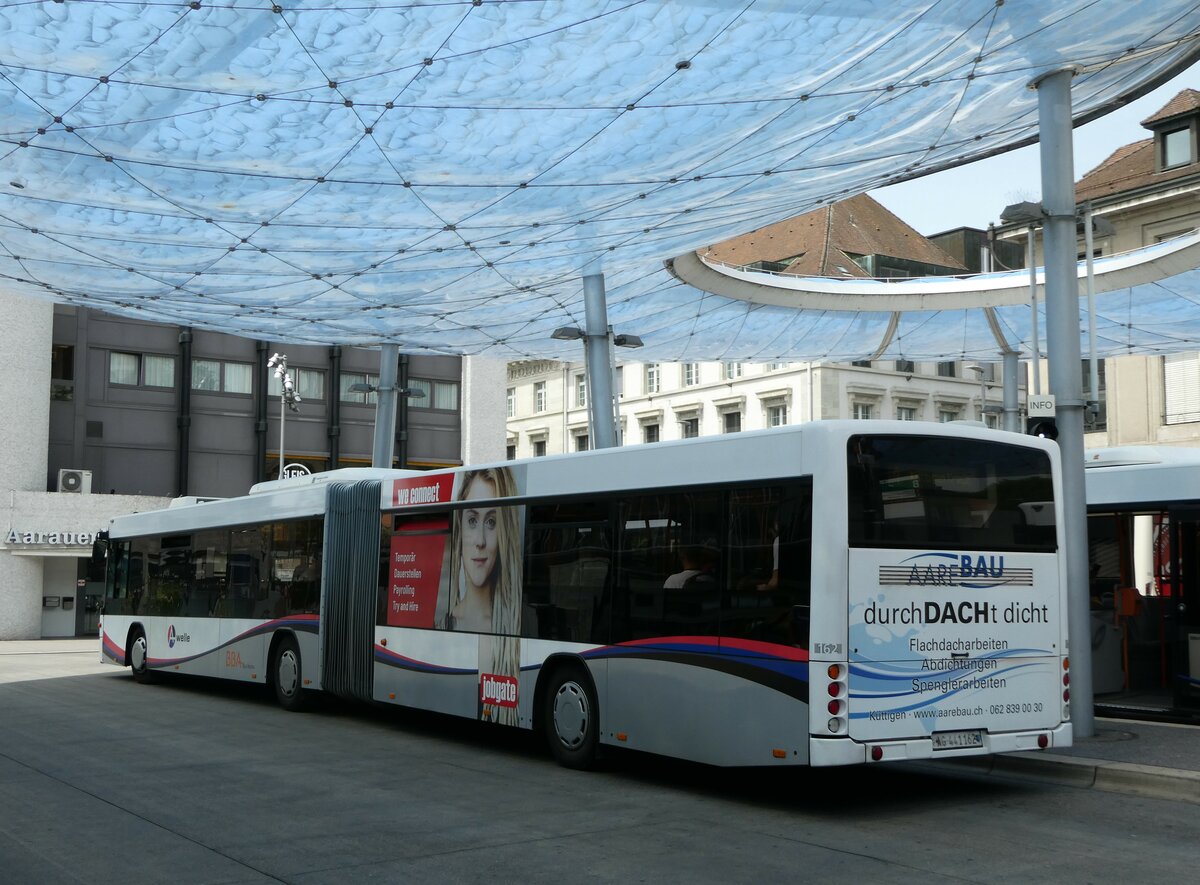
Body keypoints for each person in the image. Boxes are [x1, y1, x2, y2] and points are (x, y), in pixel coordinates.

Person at [444, 467, 522, 725]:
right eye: (472, 520)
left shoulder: (520, 624)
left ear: (504, 533)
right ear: (459, 526)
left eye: (491, 522)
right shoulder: (441, 623)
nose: (479, 541)